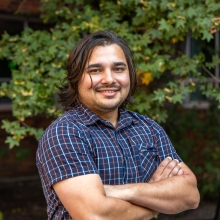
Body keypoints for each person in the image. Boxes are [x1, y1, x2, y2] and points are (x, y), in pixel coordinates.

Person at [36, 30, 200, 220]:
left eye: (118, 69)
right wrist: (153, 205)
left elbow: (190, 195)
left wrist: (120, 192)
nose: (109, 79)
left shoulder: (149, 129)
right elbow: (95, 215)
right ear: (76, 78)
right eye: (95, 70)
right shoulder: (65, 133)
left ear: (129, 75)